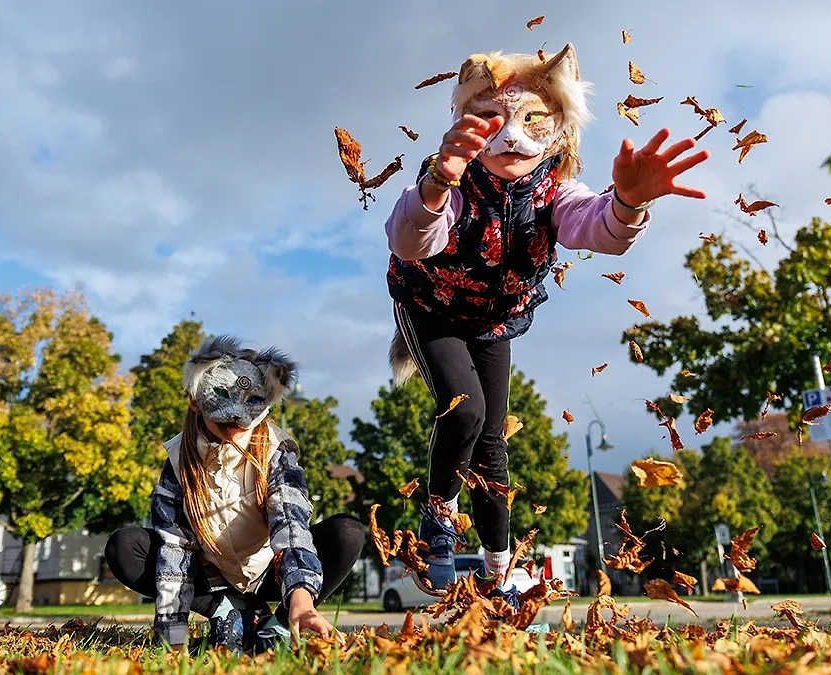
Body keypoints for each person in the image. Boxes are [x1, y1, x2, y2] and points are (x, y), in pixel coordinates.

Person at [383, 44, 709, 602]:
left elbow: (596, 229)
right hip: (432, 307)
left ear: (559, 129)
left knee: (493, 445)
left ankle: (498, 570)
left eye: (532, 121)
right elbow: (412, 239)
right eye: (491, 120)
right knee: (466, 411)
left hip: (494, 320)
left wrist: (628, 204)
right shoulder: (452, 179)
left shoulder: (556, 191)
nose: (511, 137)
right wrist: (439, 180)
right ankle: (437, 516)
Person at [104, 336, 365, 653]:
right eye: (224, 421)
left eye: (245, 421)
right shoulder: (178, 460)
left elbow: (291, 526)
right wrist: (172, 636)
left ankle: (277, 625)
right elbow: (175, 547)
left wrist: (301, 598)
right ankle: (226, 608)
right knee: (125, 545)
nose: (236, 427)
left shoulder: (277, 451)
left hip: (270, 570)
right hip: (211, 574)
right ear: (195, 403)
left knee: (347, 532)